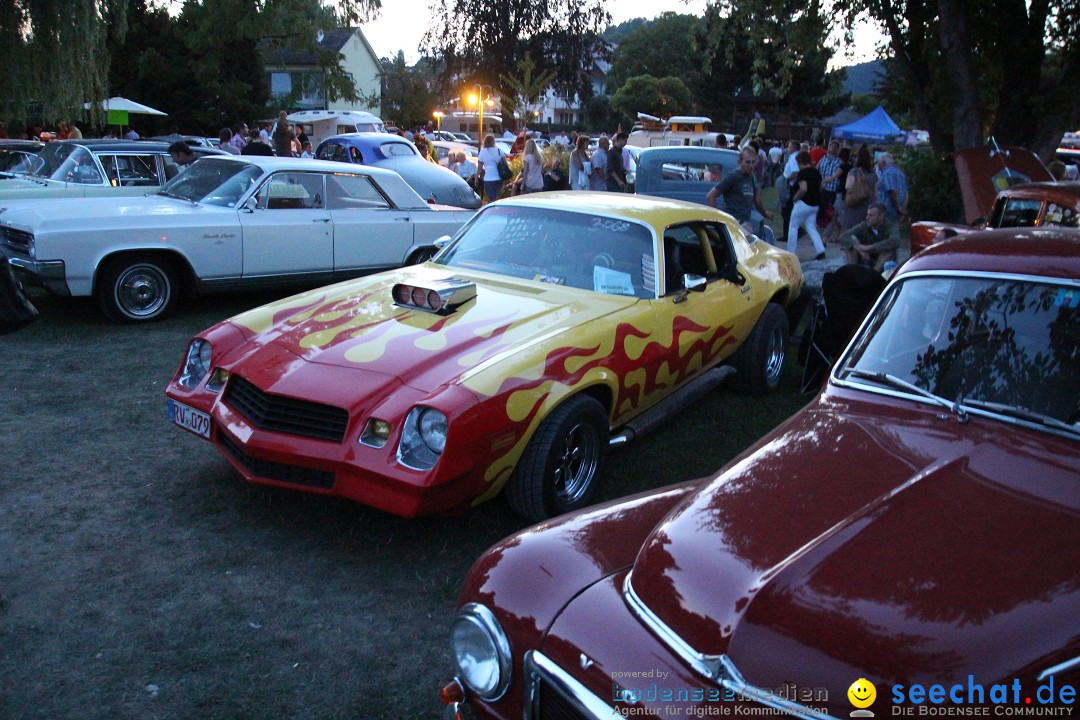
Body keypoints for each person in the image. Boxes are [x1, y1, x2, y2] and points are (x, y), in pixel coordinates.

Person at [706, 147, 774, 232]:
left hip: (745, 223)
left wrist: (765, 213)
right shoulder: (733, 177)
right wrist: (716, 220)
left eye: (753, 162)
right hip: (733, 223)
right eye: (747, 162)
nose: (751, 165)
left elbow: (756, 200)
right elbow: (711, 195)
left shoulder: (750, 177)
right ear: (740, 162)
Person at [787, 150, 826, 259]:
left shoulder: (803, 173)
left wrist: (795, 198)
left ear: (800, 162)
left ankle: (790, 253)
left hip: (803, 203)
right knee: (811, 227)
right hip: (815, 204)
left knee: (793, 226)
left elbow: (803, 188)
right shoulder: (816, 172)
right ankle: (820, 249)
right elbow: (821, 187)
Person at [839, 202, 899, 272]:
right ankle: (853, 272)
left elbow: (896, 241)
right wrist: (859, 249)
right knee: (851, 242)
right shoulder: (864, 226)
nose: (867, 218)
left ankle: (874, 274)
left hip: (882, 261)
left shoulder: (890, 227)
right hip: (865, 258)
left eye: (871, 215)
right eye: (867, 215)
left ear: (881, 216)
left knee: (889, 249)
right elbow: (843, 236)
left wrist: (870, 247)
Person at [840, 146, 876, 232]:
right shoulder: (873, 175)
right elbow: (875, 193)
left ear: (858, 158)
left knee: (851, 229)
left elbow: (848, 186)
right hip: (867, 206)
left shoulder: (854, 171)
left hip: (854, 204)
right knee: (864, 229)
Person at [876, 152, 909, 220]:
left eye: (878, 162)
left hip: (887, 210)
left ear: (883, 163)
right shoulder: (900, 173)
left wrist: (897, 207)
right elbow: (906, 193)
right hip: (898, 210)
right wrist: (903, 208)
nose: (877, 164)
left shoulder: (887, 174)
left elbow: (892, 191)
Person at [477, 134, 507, 203]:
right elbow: (505, 164)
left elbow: (480, 168)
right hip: (499, 177)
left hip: (488, 178)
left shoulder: (482, 152)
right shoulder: (499, 151)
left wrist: (476, 177)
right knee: (498, 198)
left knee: (491, 198)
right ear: (493, 141)